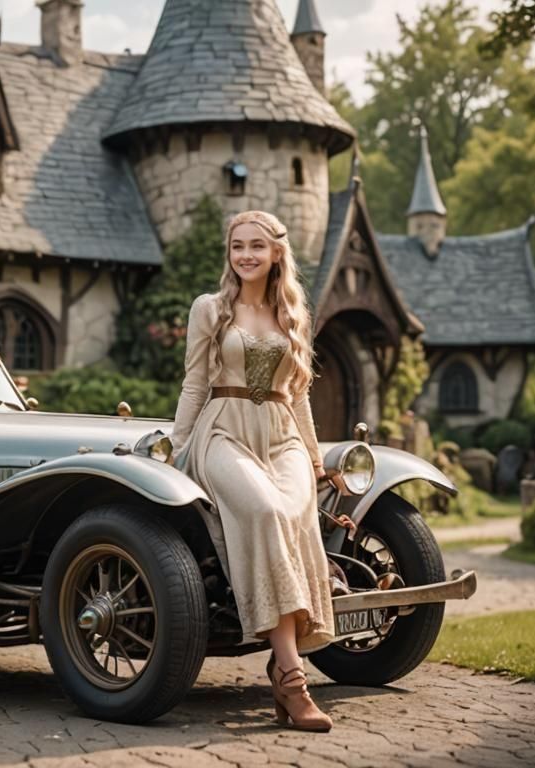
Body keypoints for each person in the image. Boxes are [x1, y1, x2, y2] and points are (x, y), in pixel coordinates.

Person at [166, 210, 334, 732]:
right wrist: (175, 449)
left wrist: (313, 456)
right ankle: (292, 678)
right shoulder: (210, 309)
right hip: (223, 430)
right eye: (237, 246)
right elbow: (195, 383)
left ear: (276, 252)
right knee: (263, 510)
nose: (245, 256)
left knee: (291, 510)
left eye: (256, 246)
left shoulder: (293, 314)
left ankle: (284, 670)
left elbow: (299, 393)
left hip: (281, 432)